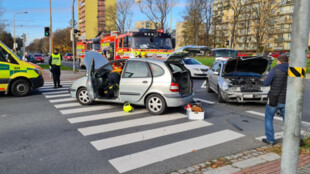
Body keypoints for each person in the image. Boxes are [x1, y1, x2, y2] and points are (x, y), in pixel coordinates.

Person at [262, 54, 289, 146]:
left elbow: (266, 83)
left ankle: (270, 140)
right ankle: (289, 139)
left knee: (269, 119)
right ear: (287, 61)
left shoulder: (275, 70)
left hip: (273, 99)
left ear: (278, 61)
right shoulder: (293, 70)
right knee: (288, 120)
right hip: (286, 99)